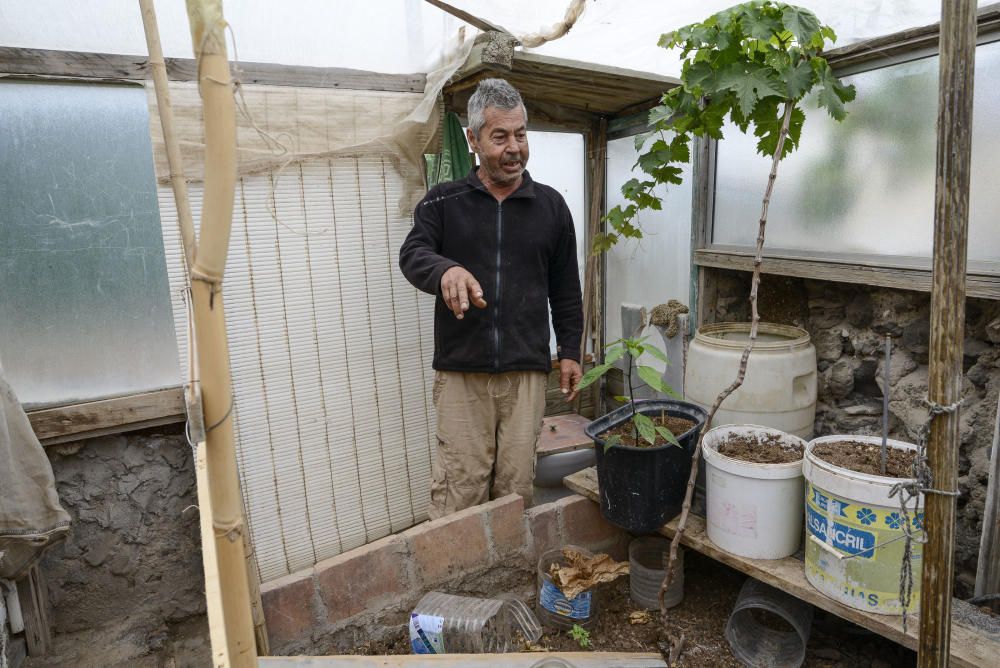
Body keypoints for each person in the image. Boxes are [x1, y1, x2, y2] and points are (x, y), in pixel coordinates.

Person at [399, 78, 584, 519]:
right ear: (474, 140)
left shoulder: (551, 207)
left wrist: (572, 350)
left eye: (520, 134)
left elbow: (566, 289)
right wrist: (447, 269)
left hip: (526, 374)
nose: (514, 147)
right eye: (500, 136)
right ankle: (453, 583)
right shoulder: (444, 202)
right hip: (462, 375)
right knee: (460, 487)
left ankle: (506, 576)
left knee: (515, 489)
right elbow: (413, 254)